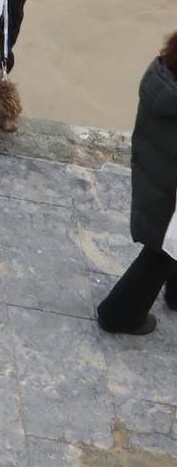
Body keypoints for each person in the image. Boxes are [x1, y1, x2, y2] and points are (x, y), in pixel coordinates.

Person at [94, 31, 177, 337]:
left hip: (156, 180)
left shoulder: (163, 71)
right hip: (170, 194)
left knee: (167, 249)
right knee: (161, 254)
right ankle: (119, 315)